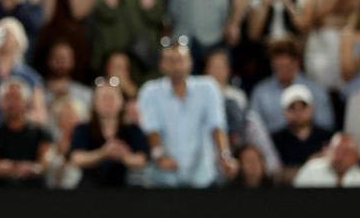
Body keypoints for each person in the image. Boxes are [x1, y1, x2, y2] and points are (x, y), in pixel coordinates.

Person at [137, 39, 237, 187]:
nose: (176, 65)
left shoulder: (208, 87)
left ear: (190, 62)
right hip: (163, 179)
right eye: (170, 60)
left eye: (180, 60)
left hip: (202, 177)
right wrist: (159, 157)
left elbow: (216, 125)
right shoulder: (150, 91)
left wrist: (225, 156)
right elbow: (152, 129)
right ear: (161, 65)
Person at [69, 79, 149, 187]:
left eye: (112, 98)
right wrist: (103, 153)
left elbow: (142, 160)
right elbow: (76, 159)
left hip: (125, 187)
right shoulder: (83, 128)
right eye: (103, 98)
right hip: (90, 189)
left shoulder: (132, 129)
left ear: (122, 102)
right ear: (94, 103)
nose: (108, 102)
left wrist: (124, 156)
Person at [249, 37, 335, 134]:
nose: (282, 71)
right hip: (272, 145)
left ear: (296, 63)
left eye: (286, 66)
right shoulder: (261, 92)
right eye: (278, 66)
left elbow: (326, 125)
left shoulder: (316, 89)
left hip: (310, 144)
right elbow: (253, 128)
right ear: (272, 64)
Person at [0, 78, 53, 188]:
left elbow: (44, 164)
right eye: (7, 98)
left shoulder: (42, 133)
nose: (12, 103)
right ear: (0, 102)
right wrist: (13, 168)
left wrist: (30, 168)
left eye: (17, 98)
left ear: (27, 102)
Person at [271, 84, 333, 184]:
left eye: (303, 106)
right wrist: (311, 165)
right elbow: (277, 174)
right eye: (292, 107)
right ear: (284, 111)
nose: (298, 112)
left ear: (312, 108)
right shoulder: (275, 140)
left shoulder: (328, 137)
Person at [294, 133, 360, 187]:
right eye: (336, 151)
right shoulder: (310, 170)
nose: (340, 157)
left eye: (346, 152)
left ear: (356, 157)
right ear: (327, 151)